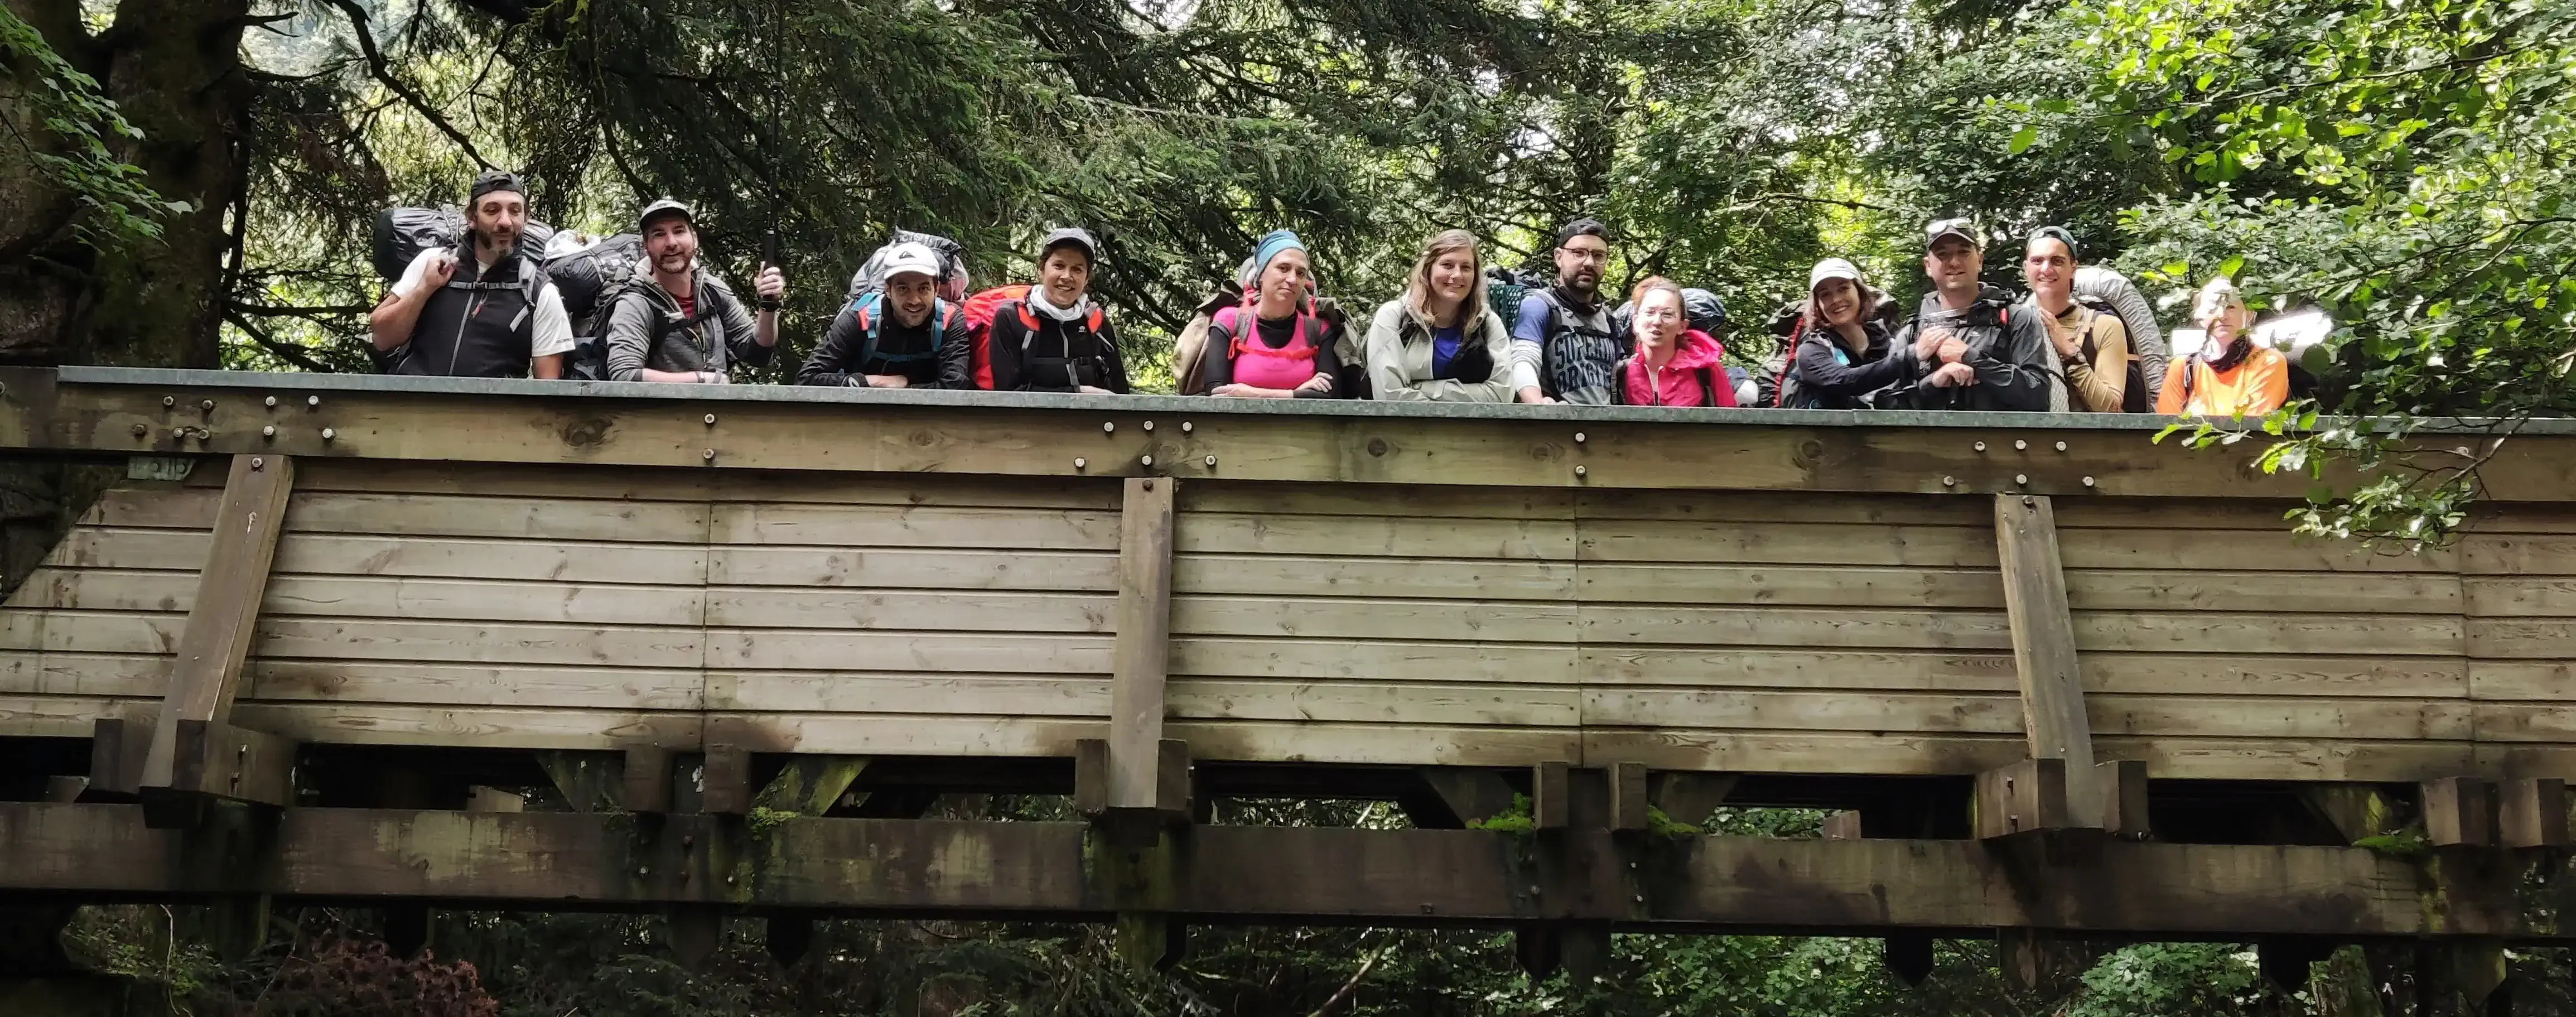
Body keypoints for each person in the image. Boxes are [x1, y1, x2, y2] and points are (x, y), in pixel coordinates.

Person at [367, 170, 572, 378]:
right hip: (413, 407)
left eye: (515, 211)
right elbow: (382, 339)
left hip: (489, 411)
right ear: (472, 218)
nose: (505, 222)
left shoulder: (539, 292)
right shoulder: (433, 263)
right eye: (492, 210)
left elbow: (547, 391)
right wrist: (425, 288)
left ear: (526, 218)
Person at [1882, 218, 2058, 412]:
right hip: (1929, 442)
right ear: (1928, 266)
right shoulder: (1912, 333)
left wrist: (1972, 358)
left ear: (1980, 260)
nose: (1954, 262)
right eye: (1943, 255)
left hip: (2000, 441)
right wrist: (1933, 382)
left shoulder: (2015, 319)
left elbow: (2039, 397)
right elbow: (1885, 407)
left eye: (1964, 253)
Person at [599, 199, 785, 384]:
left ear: (694, 238)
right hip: (659, 413)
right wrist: (703, 381)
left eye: (679, 231)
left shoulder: (713, 291)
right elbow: (625, 375)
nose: (671, 243)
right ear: (645, 246)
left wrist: (768, 306)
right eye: (659, 234)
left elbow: (758, 354)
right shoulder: (635, 303)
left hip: (715, 412)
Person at [1364, 229, 1516, 402]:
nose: (1457, 275)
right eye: (1447, 265)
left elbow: (1501, 395)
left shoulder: (1488, 323)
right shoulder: (1393, 317)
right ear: (1428, 269)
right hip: (1402, 429)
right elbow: (1388, 397)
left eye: (1466, 267)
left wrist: (1422, 388)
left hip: (1472, 430)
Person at [797, 241, 972, 389]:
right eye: (903, 289)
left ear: (936, 289)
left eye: (923, 288)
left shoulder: (949, 320)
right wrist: (873, 382)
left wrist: (906, 386)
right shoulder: (861, 318)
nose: (914, 300)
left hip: (924, 423)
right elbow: (807, 379)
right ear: (887, 289)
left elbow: (956, 384)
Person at [1188, 230, 1341, 398]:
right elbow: (1217, 392)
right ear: (1261, 275)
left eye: (1300, 273)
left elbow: (1330, 395)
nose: (1292, 279)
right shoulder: (1229, 322)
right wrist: (1300, 392)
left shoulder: (1319, 330)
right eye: (1283, 268)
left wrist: (1252, 393)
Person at [986, 228, 1131, 393]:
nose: (1067, 276)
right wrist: (1078, 393)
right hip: (1025, 420)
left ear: (1086, 279)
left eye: (1077, 269)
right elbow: (1007, 393)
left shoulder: (1096, 322)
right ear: (1041, 270)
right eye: (1059, 266)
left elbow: (1120, 393)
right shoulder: (1011, 318)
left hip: (1090, 420)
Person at [1510, 217, 1627, 405]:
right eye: (1579, 253)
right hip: (1555, 427)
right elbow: (1523, 359)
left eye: (1598, 255)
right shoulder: (1539, 306)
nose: (1589, 262)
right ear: (1558, 257)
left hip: (1606, 430)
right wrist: (1537, 403)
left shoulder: (1610, 321)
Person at [2020, 226, 2134, 412]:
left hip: (2086, 440)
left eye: (2057, 261)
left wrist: (2070, 353)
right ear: (2027, 268)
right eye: (2037, 261)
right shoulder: (2013, 325)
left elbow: (2111, 410)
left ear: (2073, 268)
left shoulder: (2104, 326)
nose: (2046, 269)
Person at [1781, 258, 1909, 409]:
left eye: (1843, 289)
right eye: (1825, 295)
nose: (1836, 300)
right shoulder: (1811, 351)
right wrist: (1907, 358)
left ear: (1860, 292)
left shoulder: (1889, 344)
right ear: (1818, 305)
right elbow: (1845, 381)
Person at [2157, 276, 2289, 417]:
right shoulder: (2183, 368)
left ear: (2249, 314)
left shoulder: (2268, 361)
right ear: (2200, 316)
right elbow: (2165, 427)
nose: (2222, 315)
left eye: (2230, 307)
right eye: (2213, 307)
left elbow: (2249, 427)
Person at [1616, 277, 1734, 407]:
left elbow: (1728, 421)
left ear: (1682, 326)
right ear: (1636, 323)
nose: (1657, 322)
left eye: (1667, 315)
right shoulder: (1623, 373)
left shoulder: (1705, 371)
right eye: (1650, 312)